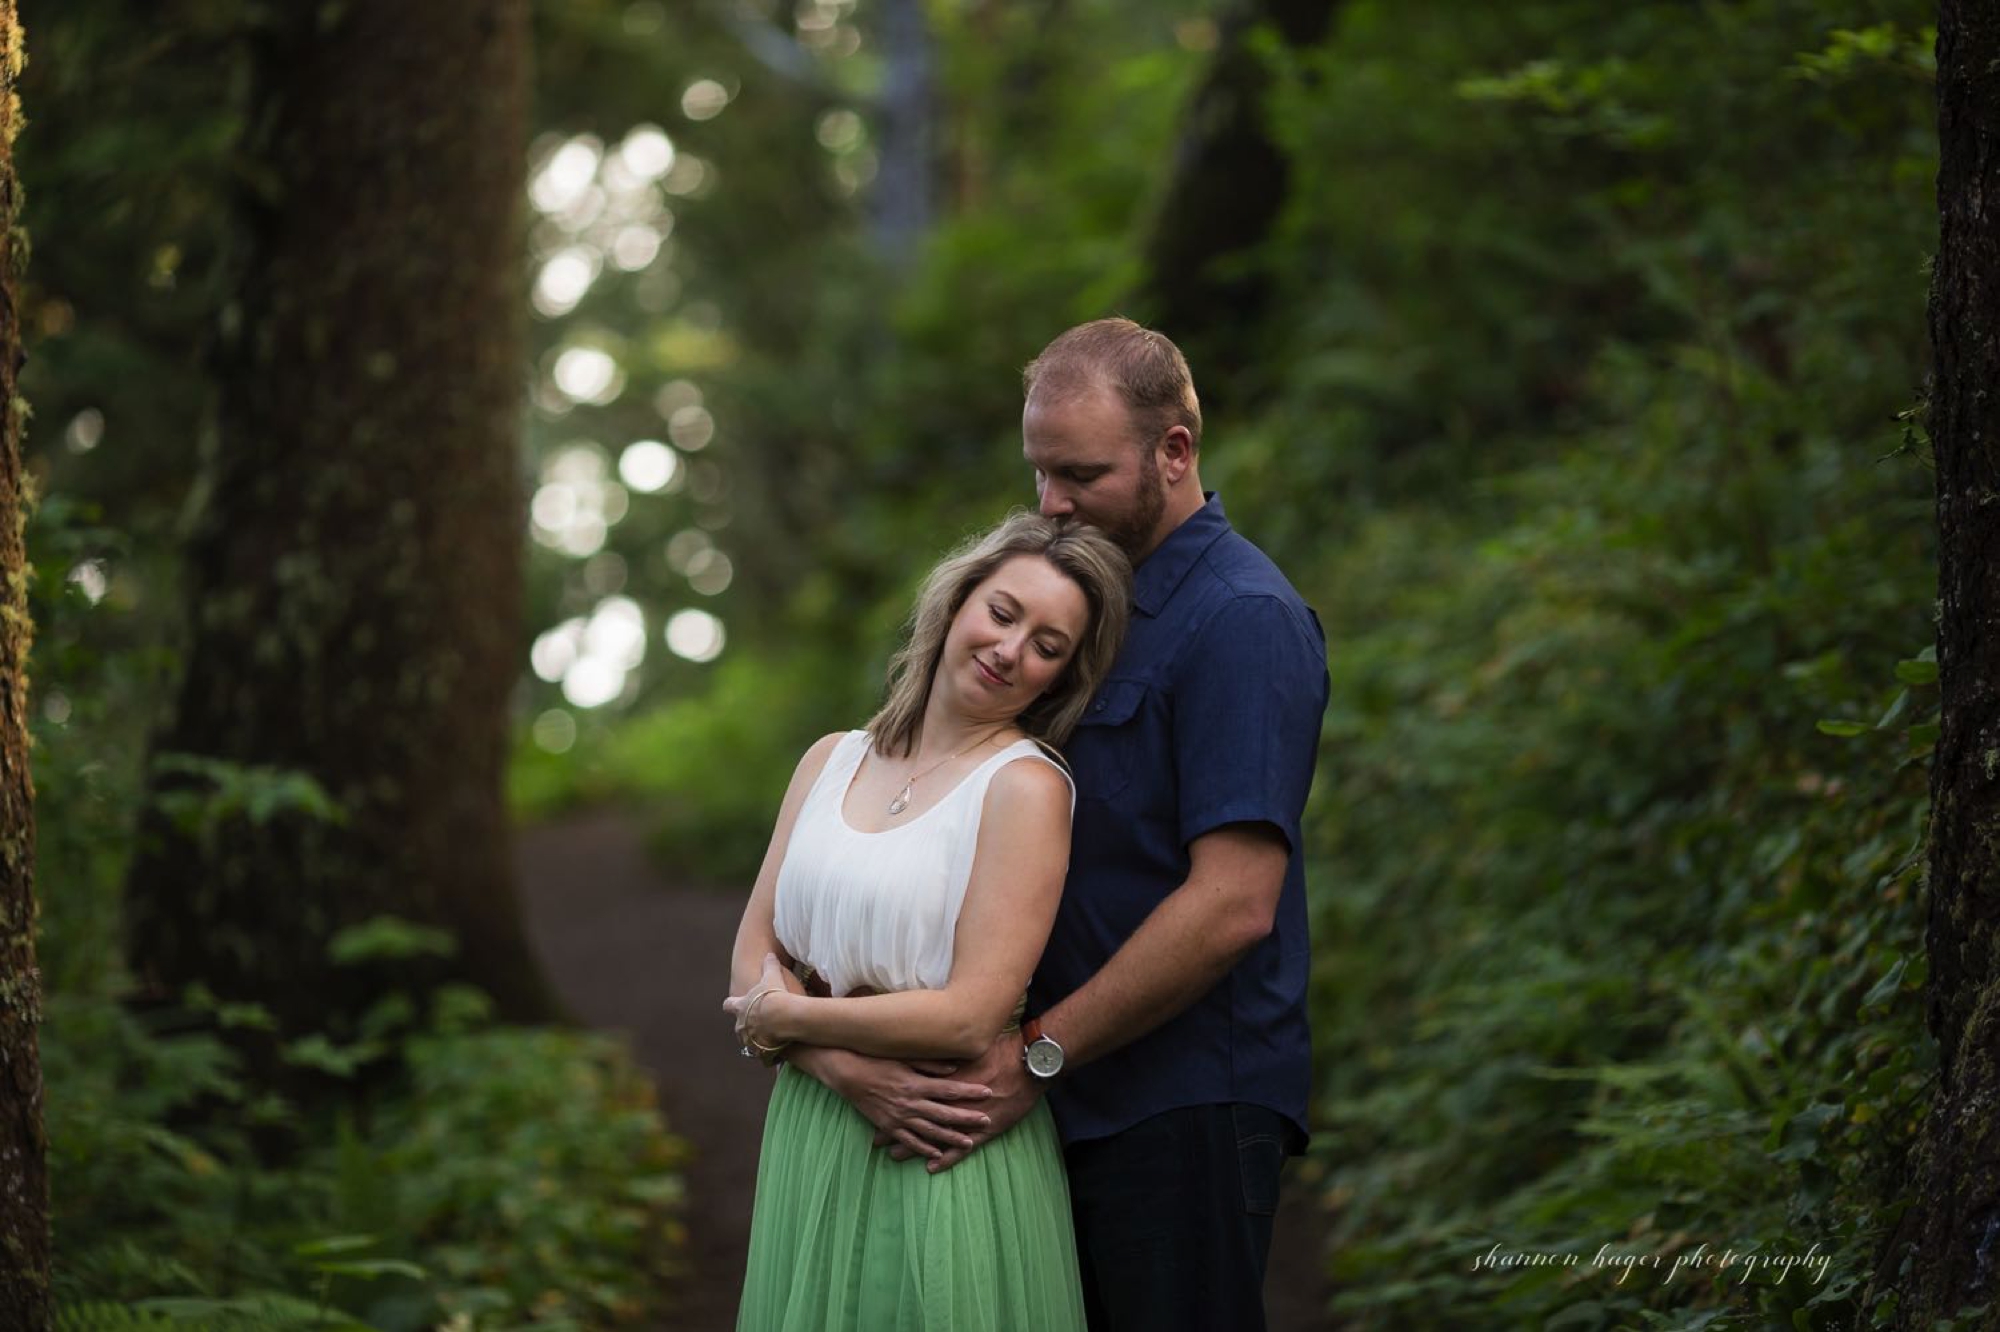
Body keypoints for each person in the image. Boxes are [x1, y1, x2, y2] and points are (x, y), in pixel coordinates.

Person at [799, 318, 1330, 1330]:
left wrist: (1033, 1055)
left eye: (1079, 473)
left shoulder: (1241, 619)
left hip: (1177, 1109)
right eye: (1039, 471)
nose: (1050, 502)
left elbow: (1231, 905)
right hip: (1054, 1103)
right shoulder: (1080, 608)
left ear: (1174, 451)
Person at [724, 511, 1133, 1332]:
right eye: (1004, 612)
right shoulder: (828, 759)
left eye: (1048, 646)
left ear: (1059, 678)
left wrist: (785, 1020)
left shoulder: (1026, 787)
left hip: (937, 1137)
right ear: (956, 602)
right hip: (817, 1124)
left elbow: (969, 1017)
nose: (1011, 649)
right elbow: (750, 956)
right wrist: (838, 1067)